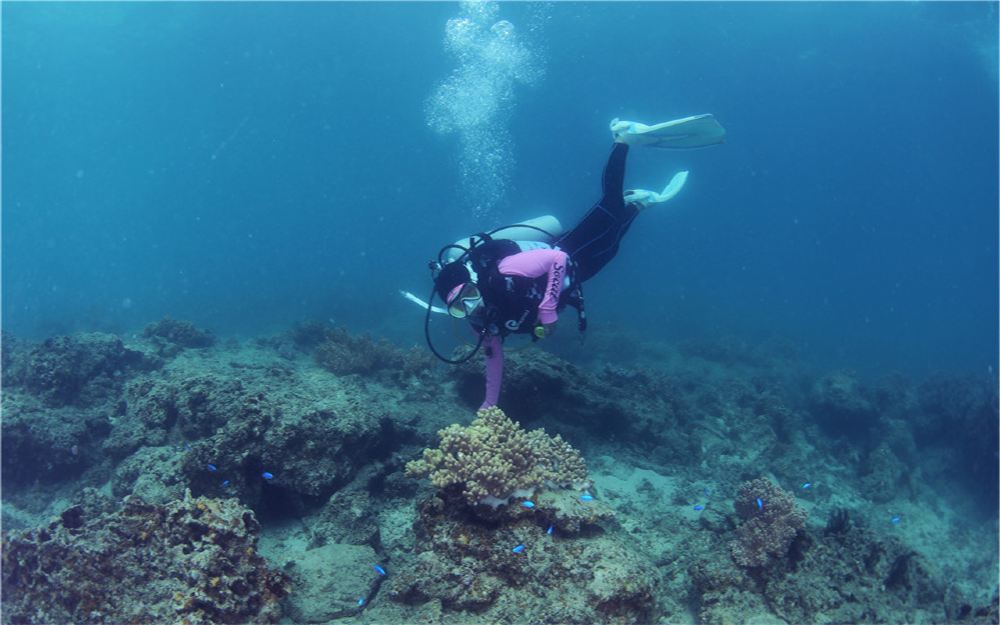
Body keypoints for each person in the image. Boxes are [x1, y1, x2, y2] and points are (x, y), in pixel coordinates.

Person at [427, 114, 726, 409]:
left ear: (474, 283)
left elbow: (557, 258)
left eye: (469, 295)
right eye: (459, 306)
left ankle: (622, 138)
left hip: (568, 251)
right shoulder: (481, 324)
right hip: (577, 276)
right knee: (611, 248)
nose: (471, 306)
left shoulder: (502, 271)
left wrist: (546, 310)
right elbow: (494, 360)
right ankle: (637, 204)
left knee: (608, 206)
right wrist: (489, 405)